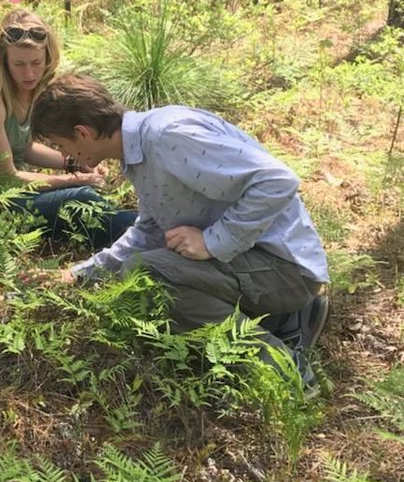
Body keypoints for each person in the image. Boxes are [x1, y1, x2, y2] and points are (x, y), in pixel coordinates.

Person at [29, 73, 330, 392]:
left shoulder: (167, 136)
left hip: (286, 269)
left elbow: (277, 181)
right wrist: (80, 274)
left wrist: (213, 242)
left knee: (149, 275)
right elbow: (149, 231)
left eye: (63, 146)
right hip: (259, 264)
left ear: (82, 132)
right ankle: (284, 320)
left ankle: (284, 368)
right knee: (147, 265)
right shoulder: (143, 150)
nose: (69, 157)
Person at [0, 10, 135, 245]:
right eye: (19, 64)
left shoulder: (33, 85)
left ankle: (145, 229)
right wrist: (73, 180)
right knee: (80, 199)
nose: (29, 73)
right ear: (3, 60)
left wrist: (72, 162)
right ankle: (144, 235)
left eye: (36, 63)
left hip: (9, 195)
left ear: (48, 57)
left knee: (84, 199)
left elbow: (25, 147)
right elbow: (6, 176)